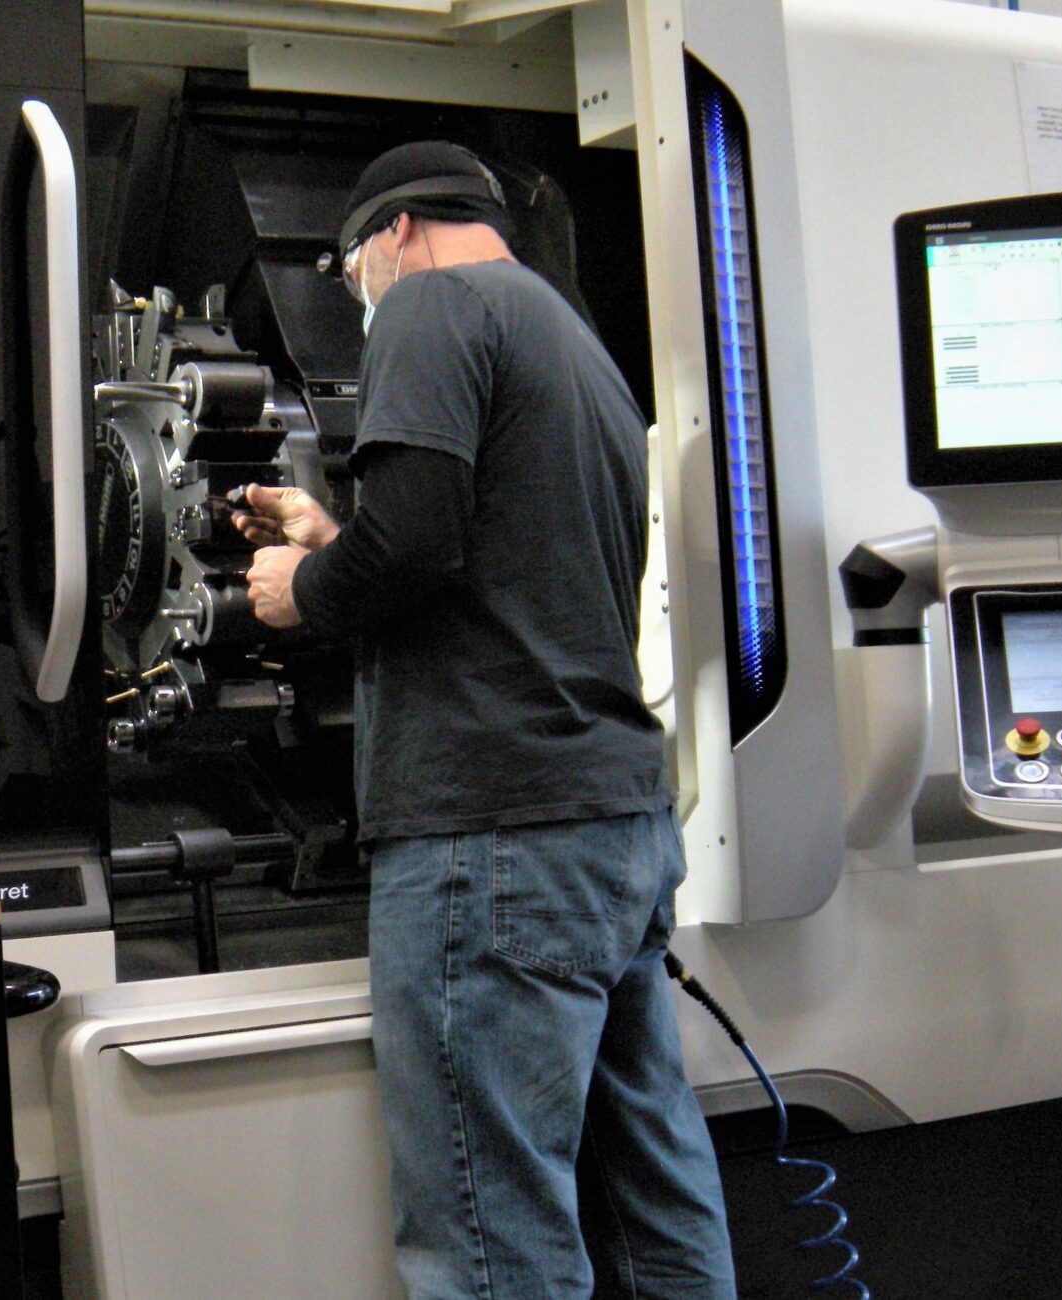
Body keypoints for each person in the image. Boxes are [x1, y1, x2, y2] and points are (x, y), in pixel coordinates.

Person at [232, 141, 736, 1299]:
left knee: (487, 1228)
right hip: (612, 829)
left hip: (491, 841)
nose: (360, 297)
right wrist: (332, 536)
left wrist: (300, 590)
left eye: (352, 272)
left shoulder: (428, 305)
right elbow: (497, 557)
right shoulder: (575, 345)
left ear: (394, 235)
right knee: (658, 1195)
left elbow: (414, 542)